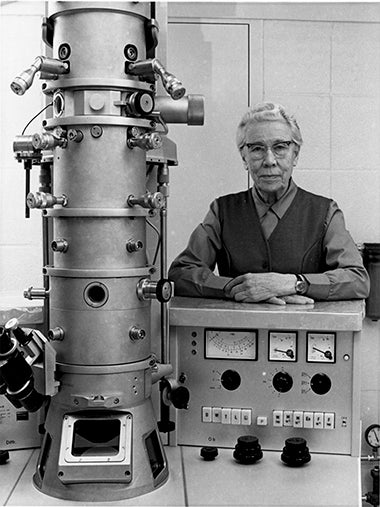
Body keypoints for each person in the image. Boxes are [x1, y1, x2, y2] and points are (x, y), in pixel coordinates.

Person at [168, 102, 370, 305]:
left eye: (280, 147)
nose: (269, 160)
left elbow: (358, 279)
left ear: (295, 155)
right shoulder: (222, 210)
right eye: (257, 149)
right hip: (236, 332)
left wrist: (296, 283)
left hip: (304, 330)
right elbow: (181, 273)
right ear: (244, 158)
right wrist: (235, 288)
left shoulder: (325, 212)